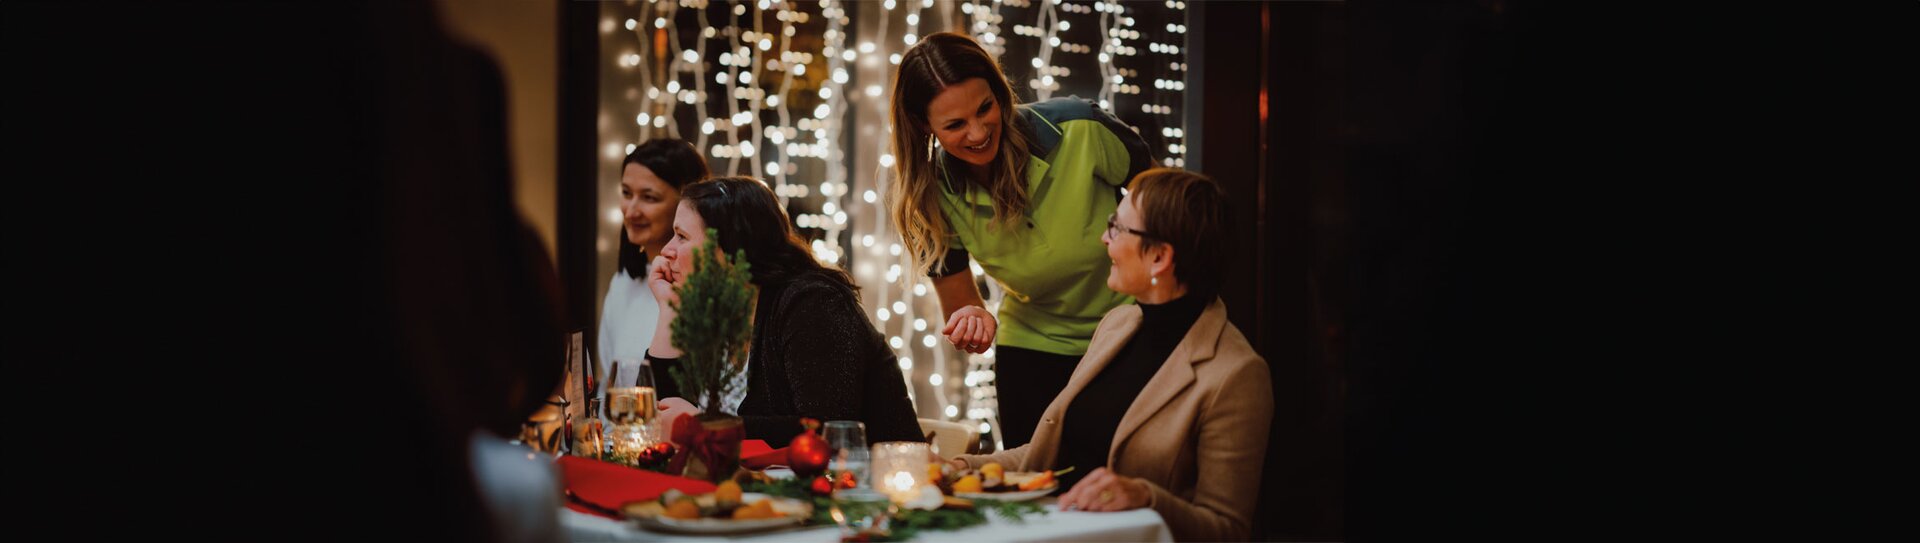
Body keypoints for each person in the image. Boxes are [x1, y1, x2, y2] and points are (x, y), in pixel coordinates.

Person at [946, 169, 1272, 542]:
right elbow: (1046, 459)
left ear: (1160, 258)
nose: (1104, 239)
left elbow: (1227, 530)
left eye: (1117, 228)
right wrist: (958, 467)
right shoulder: (1118, 324)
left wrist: (1146, 498)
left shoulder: (1236, 374)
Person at [886, 31, 1154, 448]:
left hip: (1130, 330)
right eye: (955, 125)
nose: (978, 133)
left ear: (999, 93)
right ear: (924, 125)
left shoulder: (1080, 128)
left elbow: (1173, 210)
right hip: (1032, 345)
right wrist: (975, 321)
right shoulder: (930, 197)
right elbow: (963, 305)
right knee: (1034, 486)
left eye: (985, 108)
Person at [644, 177, 924, 445]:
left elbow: (825, 427)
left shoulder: (812, 302)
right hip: (769, 485)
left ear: (731, 248)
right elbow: (663, 418)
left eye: (681, 236)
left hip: (871, 483)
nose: (667, 250)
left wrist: (708, 425)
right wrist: (670, 310)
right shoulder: (718, 308)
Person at [597, 138, 708, 398]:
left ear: (686, 203)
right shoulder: (623, 281)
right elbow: (611, 382)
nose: (631, 211)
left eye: (649, 197)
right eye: (626, 193)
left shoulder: (704, 292)